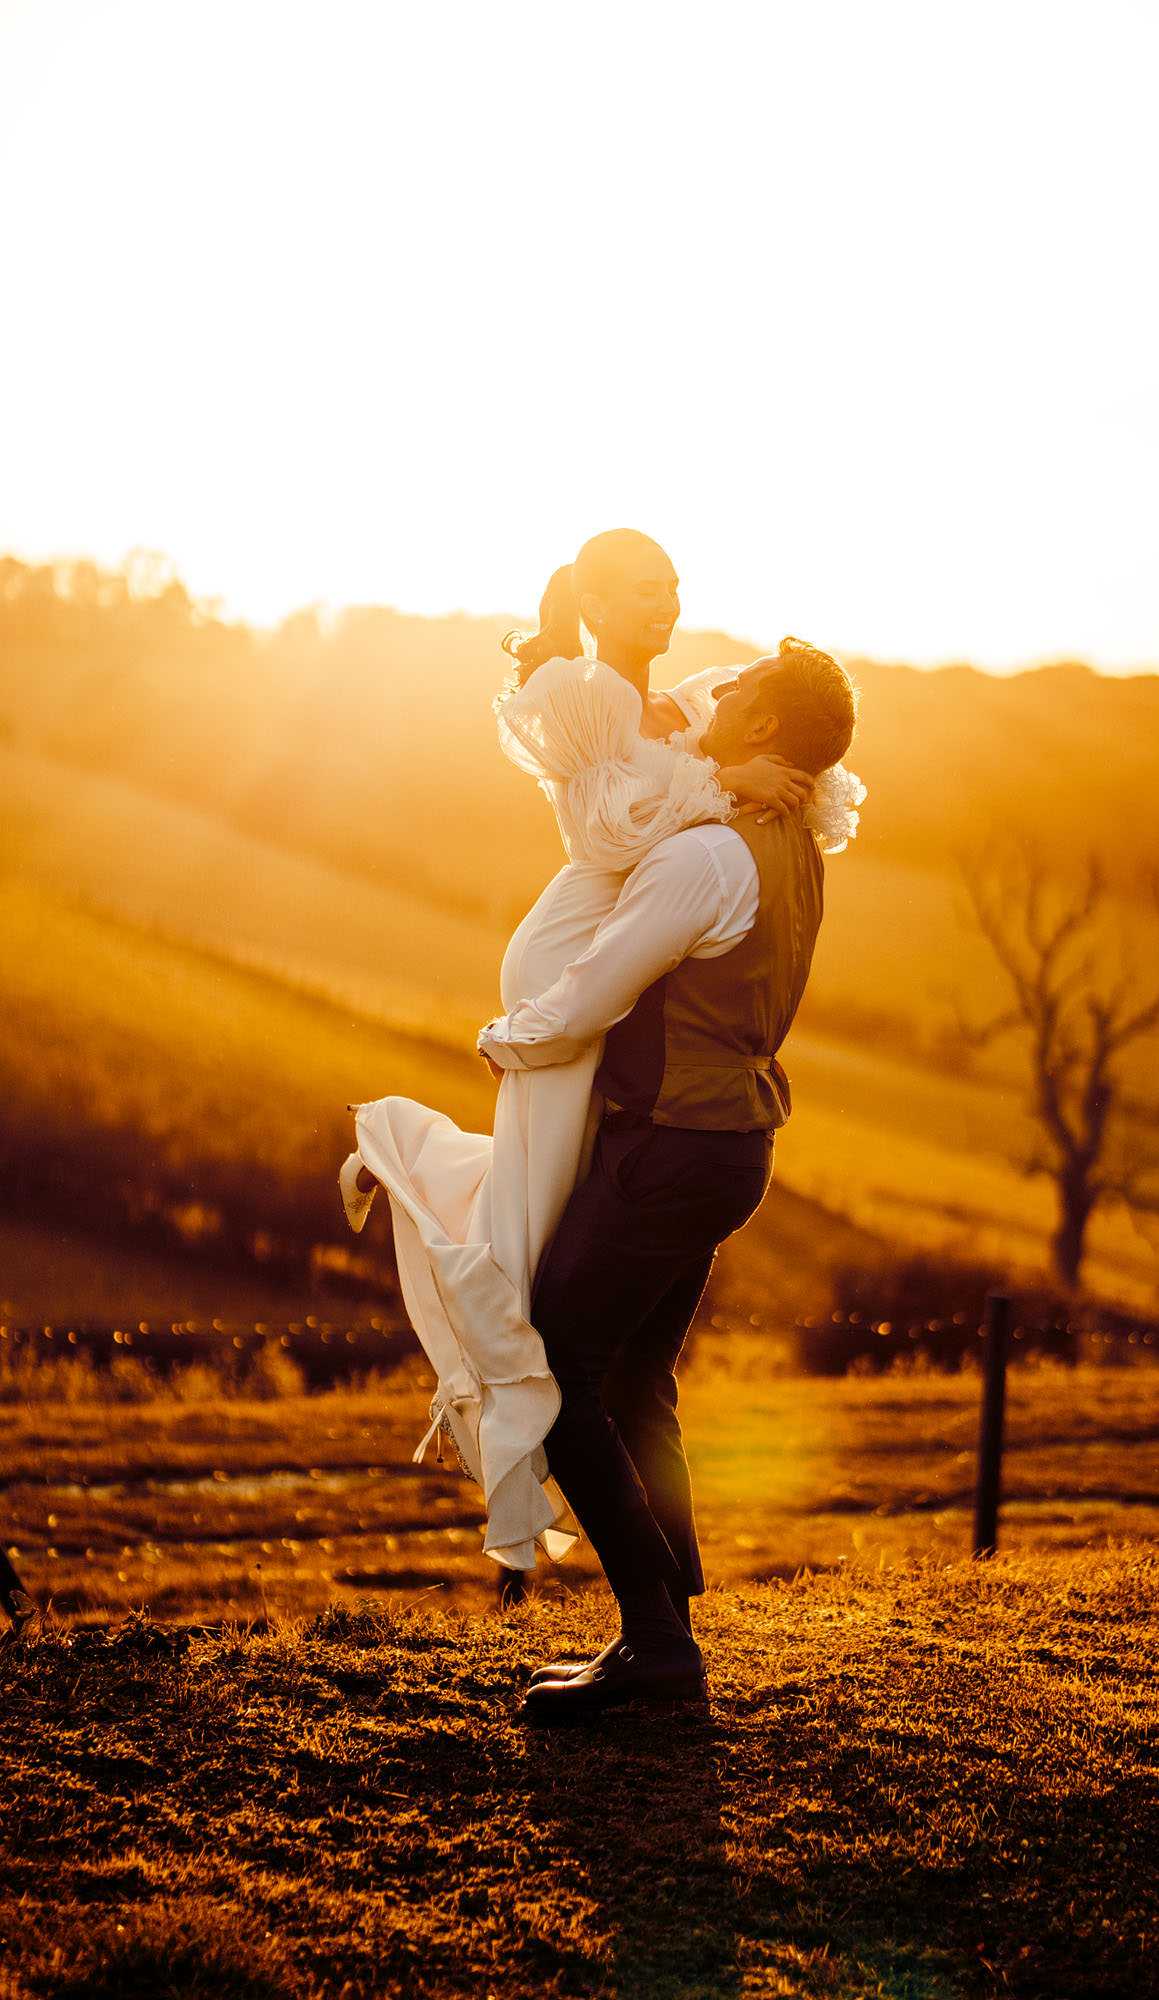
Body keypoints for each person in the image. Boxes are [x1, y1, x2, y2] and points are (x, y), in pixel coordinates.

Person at [340, 531, 847, 1572]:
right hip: (581, 986)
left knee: (569, 1300)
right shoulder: (596, 708)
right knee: (557, 1262)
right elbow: (614, 836)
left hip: (617, 1026)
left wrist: (731, 767)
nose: (668, 604)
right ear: (595, 604)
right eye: (643, 588)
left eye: (674, 584)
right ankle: (664, 1612)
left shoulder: (696, 727)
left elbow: (771, 736)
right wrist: (726, 775)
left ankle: (663, 1616)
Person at [478, 639, 862, 1722]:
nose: (717, 688)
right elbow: (681, 726)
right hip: (729, 1144)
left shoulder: (707, 858)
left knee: (557, 1364)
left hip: (672, 1145)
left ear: (765, 728)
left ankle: (656, 1642)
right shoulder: (792, 838)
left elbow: (601, 981)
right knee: (637, 1377)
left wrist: (510, 1035)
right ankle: (664, 1632)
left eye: (740, 687)